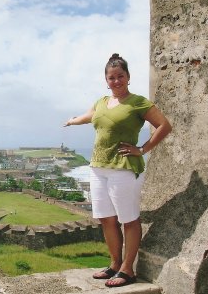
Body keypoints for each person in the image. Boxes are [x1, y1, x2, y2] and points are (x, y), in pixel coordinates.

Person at [64, 53, 172, 287]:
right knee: (106, 219)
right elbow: (91, 116)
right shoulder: (102, 102)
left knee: (129, 219)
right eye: (111, 77)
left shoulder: (138, 102)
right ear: (106, 80)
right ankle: (114, 264)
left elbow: (164, 125)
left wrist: (143, 149)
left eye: (120, 76)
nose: (116, 81)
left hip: (123, 167)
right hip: (97, 167)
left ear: (128, 78)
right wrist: (73, 120)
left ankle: (127, 270)